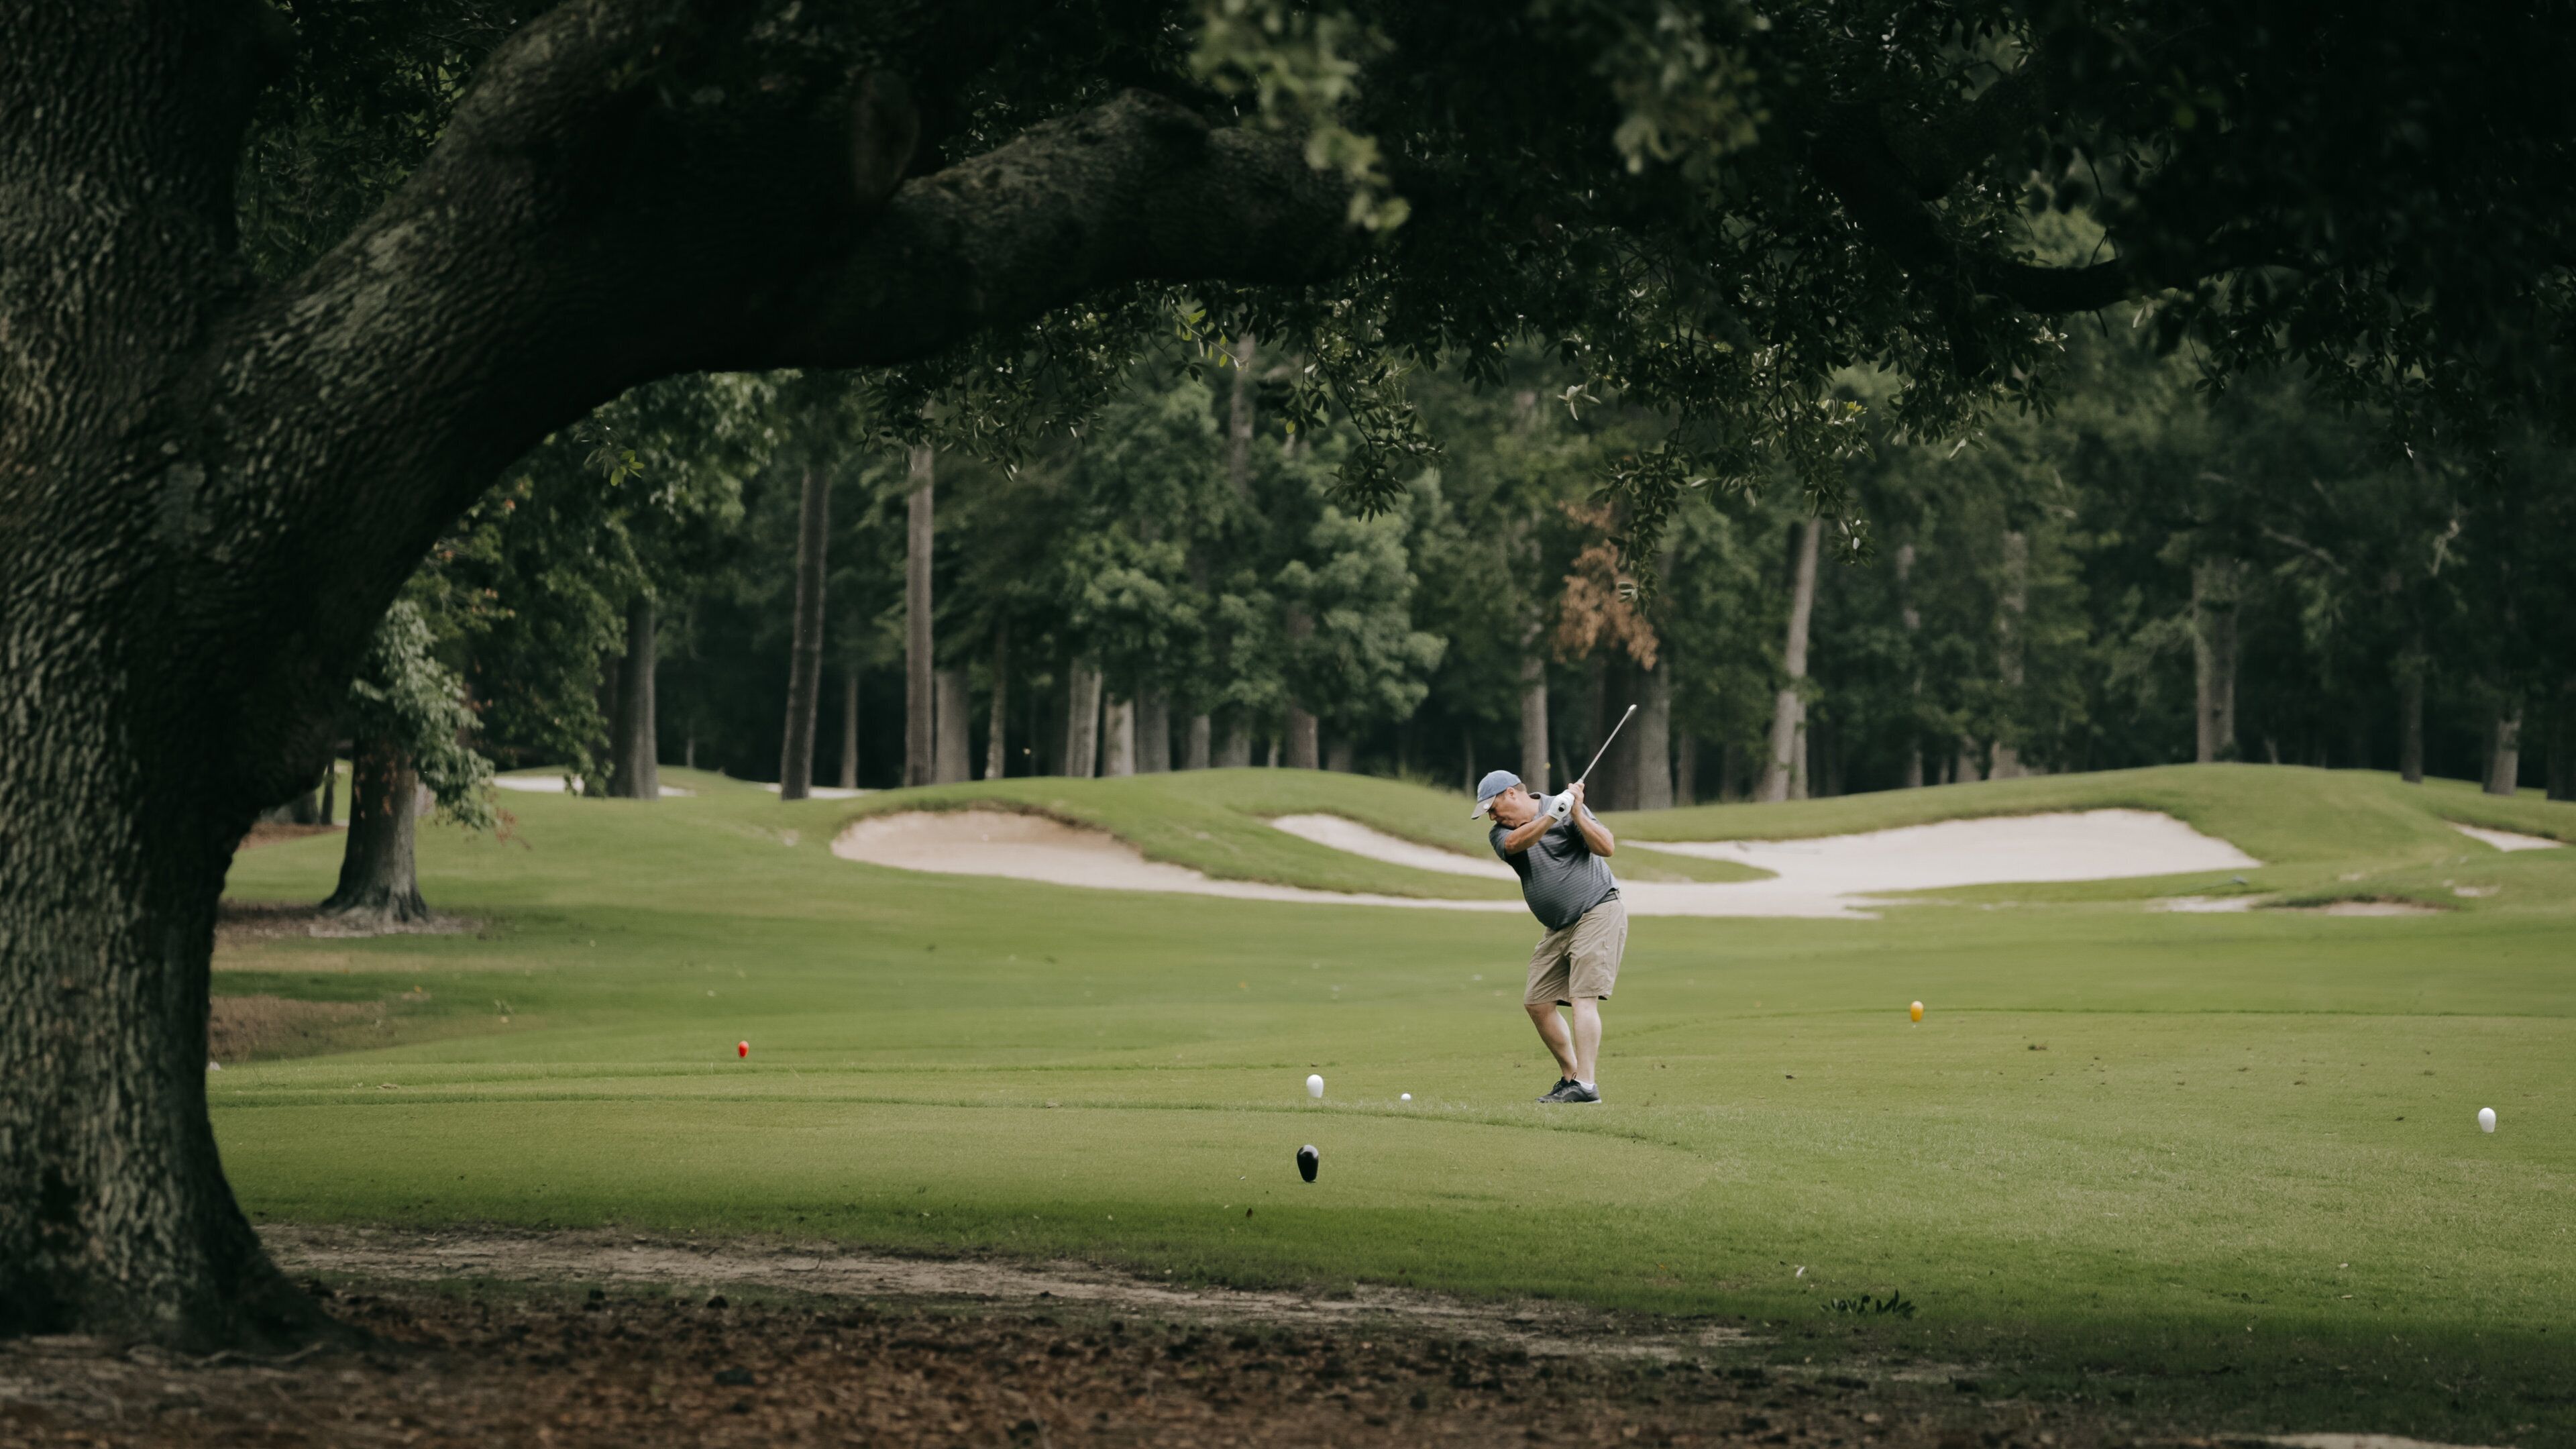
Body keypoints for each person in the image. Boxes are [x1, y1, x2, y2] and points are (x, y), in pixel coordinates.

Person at [1472, 769, 1625, 1104]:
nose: (1492, 817)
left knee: (1583, 998)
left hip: (1597, 909)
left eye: (1493, 808)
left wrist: (1575, 814)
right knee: (1537, 1002)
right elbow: (1517, 843)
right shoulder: (1501, 834)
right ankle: (1572, 1076)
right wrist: (1550, 819)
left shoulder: (1567, 807)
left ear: (1512, 793)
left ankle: (1585, 1085)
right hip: (1558, 926)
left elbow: (1607, 847)